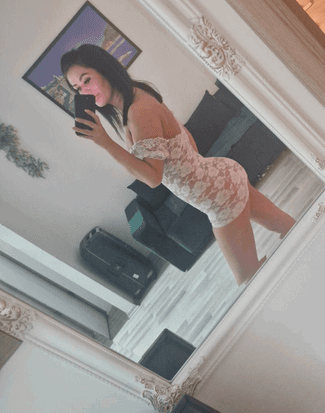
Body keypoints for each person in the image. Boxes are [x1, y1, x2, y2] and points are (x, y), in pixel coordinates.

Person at [61, 44, 295, 285]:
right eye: (77, 88)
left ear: (105, 70)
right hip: (220, 177)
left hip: (219, 196)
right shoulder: (137, 96)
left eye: (86, 80)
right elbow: (184, 136)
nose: (84, 91)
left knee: (250, 281)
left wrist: (105, 143)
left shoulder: (138, 111)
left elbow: (153, 178)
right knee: (288, 228)